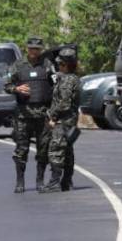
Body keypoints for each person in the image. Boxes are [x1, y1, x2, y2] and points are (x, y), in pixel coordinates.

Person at [5, 37, 55, 193]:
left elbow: (56, 85)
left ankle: (40, 180)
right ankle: (20, 181)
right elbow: (7, 85)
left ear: (41, 49)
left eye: (37, 49)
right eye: (32, 48)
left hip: (43, 114)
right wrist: (16, 89)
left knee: (43, 149)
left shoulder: (47, 65)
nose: (34, 51)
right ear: (27, 48)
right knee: (21, 149)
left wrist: (54, 114)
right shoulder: (17, 66)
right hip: (23, 114)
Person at [46, 48, 80, 192]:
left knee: (56, 150)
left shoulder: (67, 80)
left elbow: (64, 103)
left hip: (63, 120)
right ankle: (67, 181)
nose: (59, 66)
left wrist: (53, 117)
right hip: (70, 119)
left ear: (65, 65)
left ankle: (55, 183)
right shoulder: (72, 78)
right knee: (67, 151)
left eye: (60, 64)